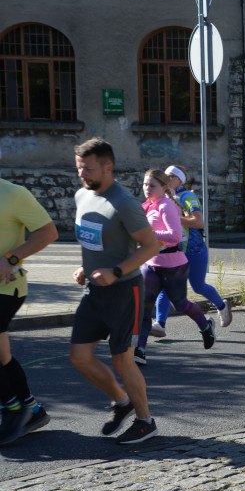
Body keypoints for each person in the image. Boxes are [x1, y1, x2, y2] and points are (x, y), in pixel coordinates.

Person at [69, 138, 161, 444]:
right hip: (94, 292)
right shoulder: (82, 195)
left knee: (123, 360)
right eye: (80, 167)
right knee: (80, 357)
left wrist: (117, 271)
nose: (83, 174)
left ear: (108, 167)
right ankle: (122, 403)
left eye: (89, 168)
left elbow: (151, 246)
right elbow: (95, 240)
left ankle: (146, 421)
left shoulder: (123, 203)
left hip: (124, 291)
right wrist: (87, 266)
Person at [0, 168, 58, 446]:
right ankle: (33, 410)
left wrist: (11, 258)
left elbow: (48, 232)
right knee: (2, 356)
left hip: (7, 288)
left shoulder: (13, 194)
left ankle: (11, 408)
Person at [134, 170, 216, 366]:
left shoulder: (167, 206)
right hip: (152, 264)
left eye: (152, 185)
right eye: (145, 185)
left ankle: (206, 327)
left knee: (181, 305)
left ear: (163, 187)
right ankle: (140, 349)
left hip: (174, 265)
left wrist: (150, 233)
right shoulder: (148, 206)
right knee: (144, 308)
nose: (147, 188)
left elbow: (174, 237)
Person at [150, 166, 232, 339]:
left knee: (198, 286)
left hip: (194, 251)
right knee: (166, 287)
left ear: (180, 180)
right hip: (174, 252)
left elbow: (198, 222)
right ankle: (160, 324)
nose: (167, 179)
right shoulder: (162, 198)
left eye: (171, 176)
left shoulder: (187, 197)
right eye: (165, 176)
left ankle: (222, 306)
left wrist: (171, 216)